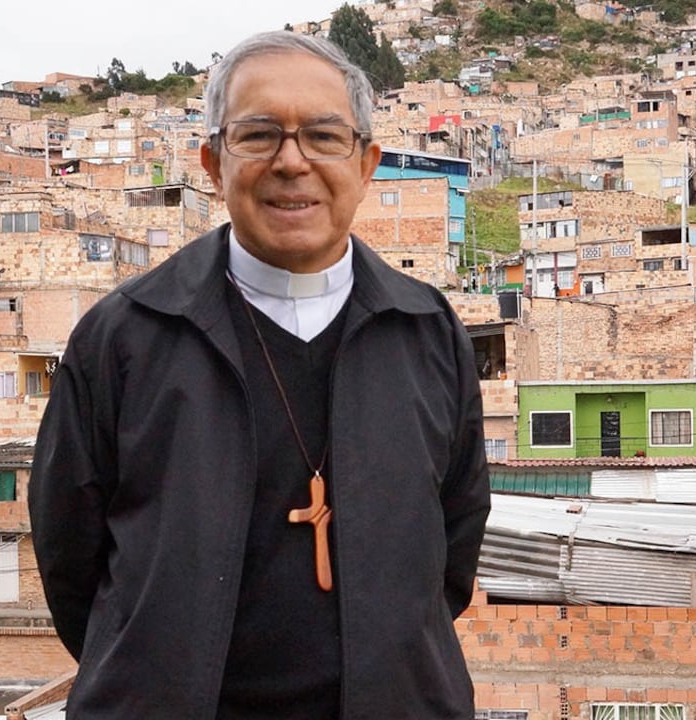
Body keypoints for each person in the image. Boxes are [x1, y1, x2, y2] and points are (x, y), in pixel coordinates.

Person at [28, 31, 490, 719]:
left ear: (367, 165)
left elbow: (451, 556)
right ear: (214, 162)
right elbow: (72, 562)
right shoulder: (124, 336)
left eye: (324, 137)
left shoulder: (427, 333)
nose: (291, 162)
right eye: (260, 134)